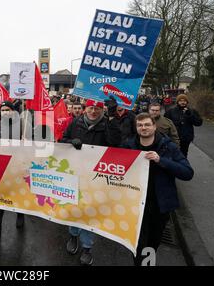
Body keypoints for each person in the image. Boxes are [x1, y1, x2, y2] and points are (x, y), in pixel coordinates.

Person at [122, 113, 194, 266]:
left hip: (159, 204)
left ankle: (147, 261)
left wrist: (161, 160)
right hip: (135, 204)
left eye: (147, 124)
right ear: (136, 128)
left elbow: (188, 173)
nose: (144, 128)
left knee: (153, 242)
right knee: (138, 242)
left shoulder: (168, 146)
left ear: (154, 126)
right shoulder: (128, 145)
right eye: (140, 125)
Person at [61, 96, 122, 266]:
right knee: (74, 208)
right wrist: (70, 141)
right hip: (75, 174)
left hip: (96, 178)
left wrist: (112, 118)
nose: (93, 111)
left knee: (90, 212)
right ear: (85, 108)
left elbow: (116, 143)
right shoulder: (76, 123)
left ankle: (87, 247)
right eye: (90, 108)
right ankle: (73, 236)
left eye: (97, 109)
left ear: (102, 110)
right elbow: (62, 141)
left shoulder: (107, 125)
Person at [0, 101, 25, 244]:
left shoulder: (22, 125)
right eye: (2, 110)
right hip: (1, 167)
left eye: (8, 109)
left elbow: (34, 144)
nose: (5, 112)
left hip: (18, 167)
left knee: (18, 195)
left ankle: (20, 214)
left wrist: (27, 141)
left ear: (13, 111)